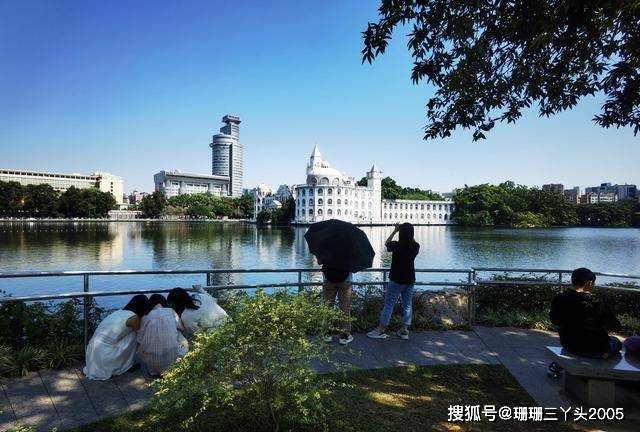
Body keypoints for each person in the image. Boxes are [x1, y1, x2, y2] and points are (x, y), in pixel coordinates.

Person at [550, 267, 622, 359]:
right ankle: (604, 357)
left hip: (568, 345)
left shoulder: (559, 298)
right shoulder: (596, 303)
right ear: (590, 283)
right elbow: (616, 326)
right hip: (595, 349)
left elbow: (554, 320)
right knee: (616, 342)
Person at [367, 223, 420, 340]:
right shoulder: (415, 247)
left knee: (389, 305)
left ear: (401, 233)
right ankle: (404, 330)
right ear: (412, 234)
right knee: (407, 305)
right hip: (409, 280)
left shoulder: (396, 245)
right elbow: (413, 242)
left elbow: (386, 243)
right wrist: (408, 232)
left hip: (396, 279)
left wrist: (395, 231)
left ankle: (381, 330)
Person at [83, 294, 148, 380]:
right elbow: (140, 336)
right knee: (134, 335)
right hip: (105, 356)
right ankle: (126, 364)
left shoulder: (119, 312)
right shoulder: (134, 318)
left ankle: (124, 362)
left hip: (92, 352)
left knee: (129, 333)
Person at [137, 294, 187, 377]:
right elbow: (181, 327)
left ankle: (154, 371)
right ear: (164, 302)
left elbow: (139, 338)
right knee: (179, 333)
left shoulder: (145, 316)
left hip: (151, 361)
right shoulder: (171, 311)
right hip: (172, 357)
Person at [318, 257, 354, 345]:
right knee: (345, 308)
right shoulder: (350, 244)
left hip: (328, 279)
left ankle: (326, 334)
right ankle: (344, 336)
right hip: (346, 279)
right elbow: (354, 263)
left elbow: (319, 262)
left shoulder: (325, 244)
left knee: (328, 307)